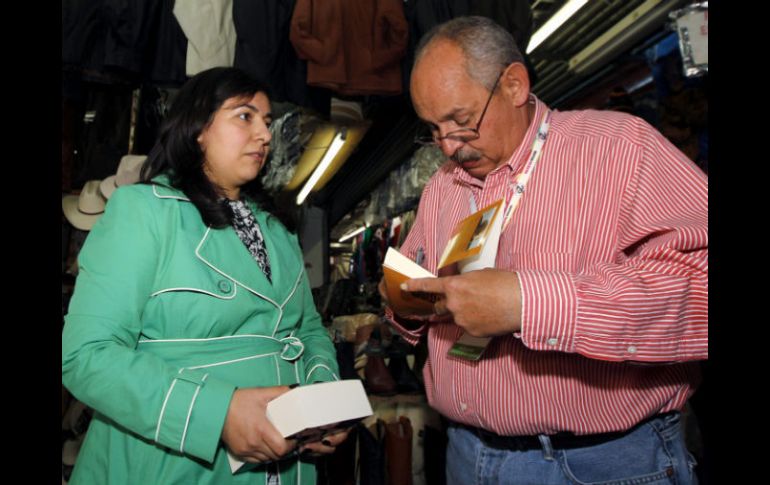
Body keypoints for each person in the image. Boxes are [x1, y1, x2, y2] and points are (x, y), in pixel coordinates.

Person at [379, 16, 707, 485]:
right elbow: (422, 287)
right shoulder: (441, 189)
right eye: (433, 130)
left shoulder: (619, 148)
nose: (449, 147)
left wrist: (529, 304)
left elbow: (700, 288)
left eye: (462, 122)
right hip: (467, 454)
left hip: (599, 463)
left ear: (514, 84)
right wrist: (405, 303)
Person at [61, 67, 347, 484]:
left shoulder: (278, 231)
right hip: (174, 466)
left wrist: (322, 397)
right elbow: (86, 355)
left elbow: (308, 331)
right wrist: (217, 414)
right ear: (197, 128)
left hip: (282, 469)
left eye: (267, 123)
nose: (265, 135)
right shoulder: (145, 211)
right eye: (245, 116)